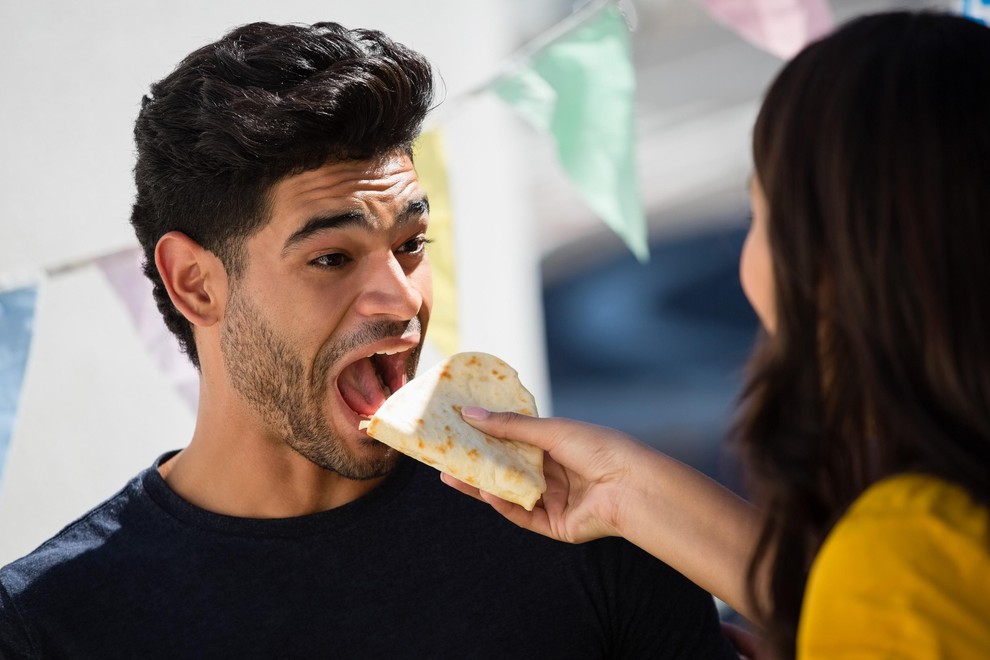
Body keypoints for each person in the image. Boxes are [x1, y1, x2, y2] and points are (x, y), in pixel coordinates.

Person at [0, 20, 736, 660]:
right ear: (196, 283)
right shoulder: (48, 625)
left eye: (413, 243)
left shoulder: (575, 527)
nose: (402, 296)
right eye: (331, 258)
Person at [445, 10, 990, 660]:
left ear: (833, 260)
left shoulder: (903, 565)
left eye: (757, 213)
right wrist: (624, 494)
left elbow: (901, 596)